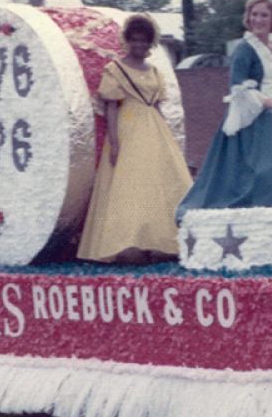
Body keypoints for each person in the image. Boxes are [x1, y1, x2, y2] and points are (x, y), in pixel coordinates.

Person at [176, 0, 272, 221]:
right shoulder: (244, 49)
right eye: (254, 14)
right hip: (252, 116)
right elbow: (240, 90)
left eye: (264, 15)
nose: (258, 20)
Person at [77, 14, 192, 263]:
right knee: (131, 186)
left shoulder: (155, 72)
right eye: (134, 40)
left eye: (144, 40)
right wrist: (115, 142)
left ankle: (160, 241)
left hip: (154, 129)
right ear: (127, 41)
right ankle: (128, 243)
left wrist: (167, 137)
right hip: (129, 128)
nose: (139, 45)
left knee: (158, 183)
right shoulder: (115, 69)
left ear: (151, 43)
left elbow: (158, 106)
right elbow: (111, 107)